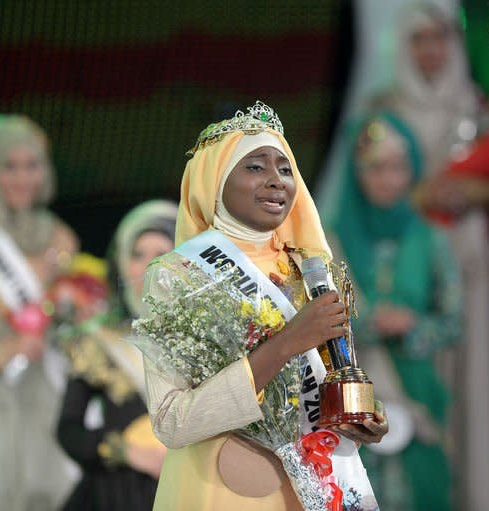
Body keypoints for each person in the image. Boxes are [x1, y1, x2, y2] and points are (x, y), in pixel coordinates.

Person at [137, 101, 387, 510]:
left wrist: (361, 414)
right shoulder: (176, 275)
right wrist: (287, 342)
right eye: (255, 167)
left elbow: (328, 379)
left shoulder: (311, 270)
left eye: (285, 168)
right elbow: (171, 422)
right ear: (214, 179)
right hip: (220, 492)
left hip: (317, 488)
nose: (277, 181)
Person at [371, 4, 489, 509]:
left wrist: (468, 189)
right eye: (420, 40)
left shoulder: (477, 106)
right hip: (407, 266)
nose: (432, 51)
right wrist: (425, 195)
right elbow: (374, 188)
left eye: (441, 38)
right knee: (420, 378)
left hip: (469, 262)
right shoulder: (385, 110)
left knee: (476, 377)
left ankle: (478, 494)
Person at [323, 112, 462, 511]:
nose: (388, 180)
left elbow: (454, 321)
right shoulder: (331, 242)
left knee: (426, 490)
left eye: (398, 168)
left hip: (418, 390)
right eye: (375, 169)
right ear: (356, 174)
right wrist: (363, 324)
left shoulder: (431, 239)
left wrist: (413, 326)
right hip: (354, 395)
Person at [0, 114, 79, 510]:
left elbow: (71, 321)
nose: (22, 178)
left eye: (31, 165)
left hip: (48, 397)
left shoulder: (61, 237)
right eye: (8, 167)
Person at [57, 200, 177, 510]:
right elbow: (68, 429)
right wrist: (125, 451)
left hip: (185, 490)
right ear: (121, 261)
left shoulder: (208, 341)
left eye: (161, 255)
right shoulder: (101, 339)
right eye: (137, 254)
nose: (148, 267)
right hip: (115, 493)